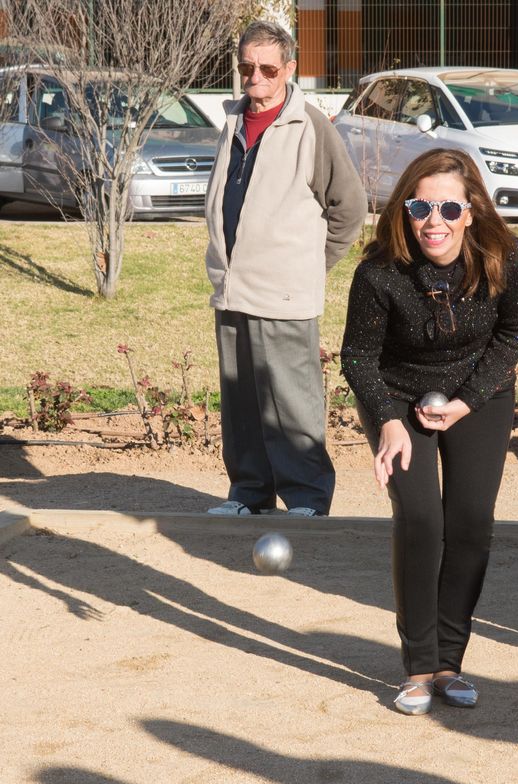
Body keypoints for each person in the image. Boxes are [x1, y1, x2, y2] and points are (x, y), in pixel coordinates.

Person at [341, 148, 518, 715]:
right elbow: (358, 356)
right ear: (406, 209)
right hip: (399, 398)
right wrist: (388, 422)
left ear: (471, 210)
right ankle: (418, 666)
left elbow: (516, 330)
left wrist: (467, 401)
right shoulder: (380, 270)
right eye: (421, 206)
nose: (435, 221)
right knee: (422, 518)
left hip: (478, 394)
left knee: (470, 521)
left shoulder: (505, 258)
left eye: (449, 207)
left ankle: (451, 661)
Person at [204, 20, 367, 517]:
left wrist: (310, 266)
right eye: (247, 67)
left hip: (286, 293)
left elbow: (350, 207)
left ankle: (308, 499)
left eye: (268, 68)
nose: (256, 77)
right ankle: (250, 495)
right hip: (232, 289)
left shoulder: (310, 125)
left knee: (292, 404)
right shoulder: (232, 121)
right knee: (241, 403)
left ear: (290, 69)